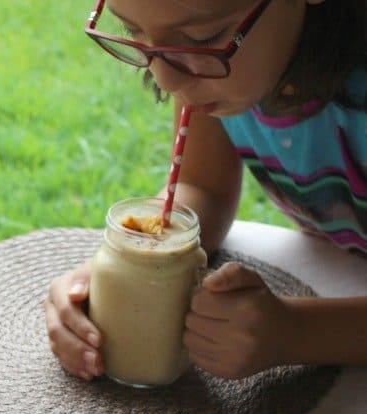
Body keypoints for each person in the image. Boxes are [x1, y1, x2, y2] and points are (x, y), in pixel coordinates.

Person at [44, 0, 366, 381]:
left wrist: (296, 332)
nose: (167, 79)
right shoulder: (212, 72)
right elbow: (203, 188)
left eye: (202, 37)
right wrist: (124, 268)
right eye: (134, 31)